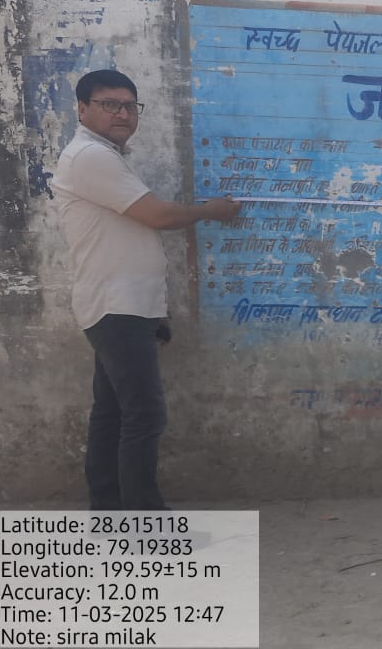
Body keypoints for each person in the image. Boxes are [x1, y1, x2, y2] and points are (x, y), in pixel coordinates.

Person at [50, 69, 241, 510]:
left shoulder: (103, 156)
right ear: (82, 109)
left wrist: (155, 311)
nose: (122, 113)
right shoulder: (90, 157)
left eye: (129, 105)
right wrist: (209, 210)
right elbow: (156, 216)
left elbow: (129, 238)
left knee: (113, 414)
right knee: (143, 416)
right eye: (109, 104)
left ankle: (109, 512)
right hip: (117, 307)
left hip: (120, 305)